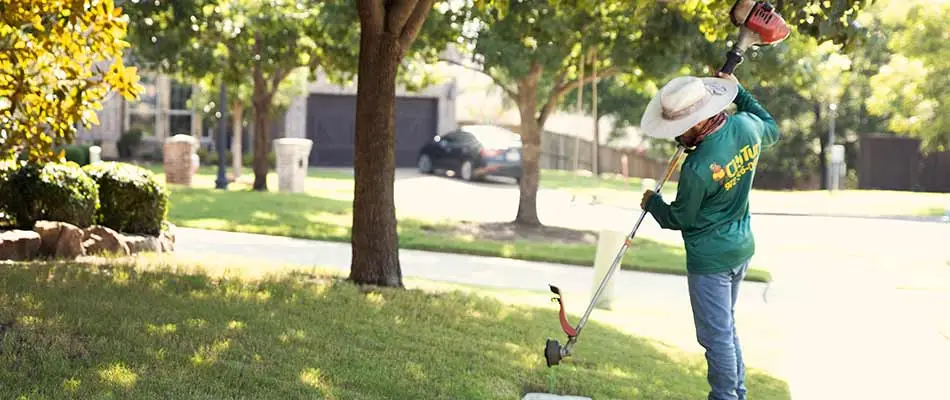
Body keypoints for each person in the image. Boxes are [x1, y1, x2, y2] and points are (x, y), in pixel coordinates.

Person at [637, 72, 779, 400]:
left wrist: (653, 203)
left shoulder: (698, 167)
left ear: (699, 122)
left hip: (710, 261)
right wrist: (740, 91)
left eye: (679, 129)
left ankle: (725, 397)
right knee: (725, 332)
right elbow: (771, 125)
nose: (676, 137)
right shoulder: (746, 126)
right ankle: (736, 395)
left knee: (715, 339)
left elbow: (680, 218)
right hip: (741, 248)